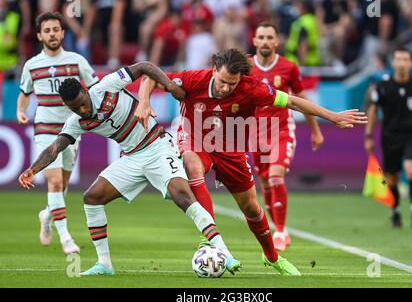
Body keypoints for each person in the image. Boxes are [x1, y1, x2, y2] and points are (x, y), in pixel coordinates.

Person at [136, 48, 367, 276]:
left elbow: (293, 102)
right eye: (223, 81)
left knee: (252, 208)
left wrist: (333, 116)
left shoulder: (252, 88)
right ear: (214, 69)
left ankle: (273, 258)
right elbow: (150, 77)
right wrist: (144, 102)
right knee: (192, 165)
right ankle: (210, 240)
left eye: (232, 84)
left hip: (231, 149)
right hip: (195, 139)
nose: (226, 88)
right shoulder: (193, 79)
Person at [18, 62, 241, 276]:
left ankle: (226, 254)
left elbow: (144, 66)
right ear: (69, 107)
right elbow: (54, 148)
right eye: (76, 108)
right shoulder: (76, 121)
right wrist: (32, 170)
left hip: (157, 146)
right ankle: (104, 264)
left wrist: (167, 86)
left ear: (86, 91)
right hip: (132, 157)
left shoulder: (106, 86)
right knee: (92, 198)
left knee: (182, 195)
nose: (83, 110)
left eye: (83, 103)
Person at [16, 12, 99, 255]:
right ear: (40, 35)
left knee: (62, 185)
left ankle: (47, 215)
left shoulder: (77, 60)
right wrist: (21, 111)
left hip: (72, 129)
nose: (52, 34)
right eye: (47, 30)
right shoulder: (32, 65)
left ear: (63, 33)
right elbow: (24, 92)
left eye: (56, 29)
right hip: (45, 127)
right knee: (53, 181)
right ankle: (65, 238)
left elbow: (95, 87)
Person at [250, 22, 324, 251]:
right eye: (260, 37)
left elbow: (301, 100)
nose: (264, 41)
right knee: (265, 182)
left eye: (269, 37)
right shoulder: (244, 66)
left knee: (275, 176)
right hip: (255, 134)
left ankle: (280, 232)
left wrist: (315, 130)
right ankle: (279, 227)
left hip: (281, 130)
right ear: (254, 41)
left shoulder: (288, 67)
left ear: (276, 41)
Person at [364, 46, 412, 228]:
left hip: (411, 135)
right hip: (389, 136)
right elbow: (373, 110)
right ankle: (395, 211)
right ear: (393, 62)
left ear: (411, 63)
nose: (402, 63)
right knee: (392, 178)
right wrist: (368, 135)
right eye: (399, 59)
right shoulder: (383, 85)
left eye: (406, 60)